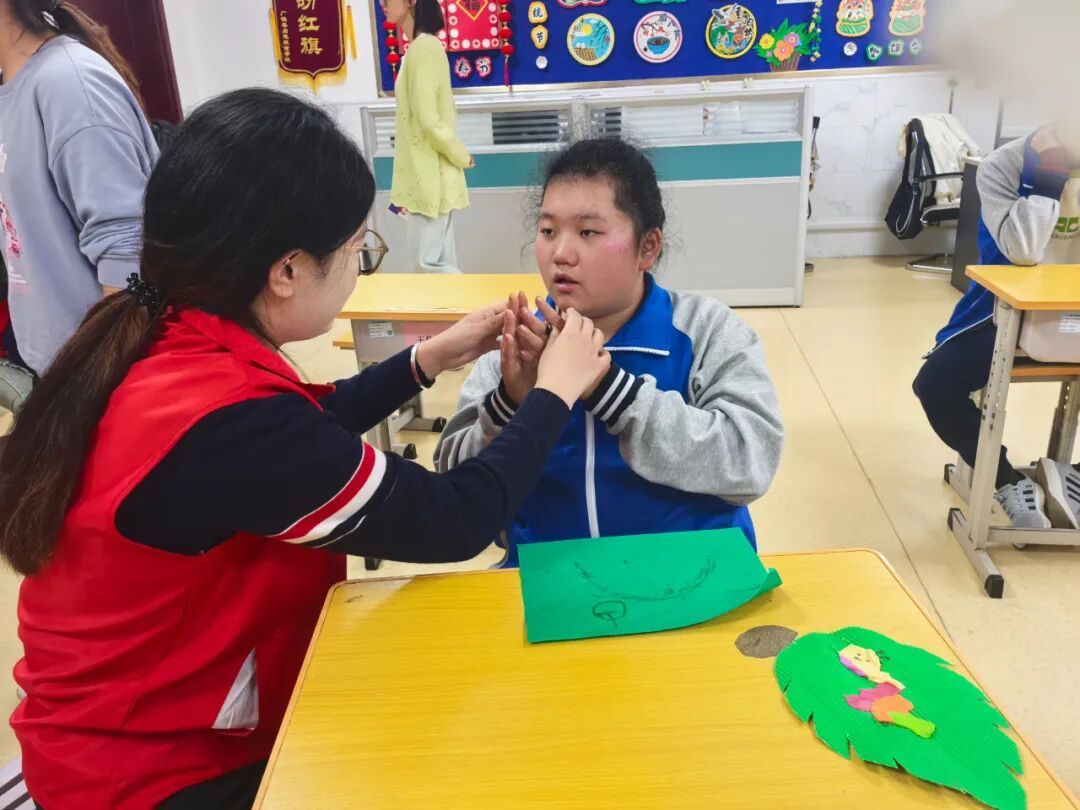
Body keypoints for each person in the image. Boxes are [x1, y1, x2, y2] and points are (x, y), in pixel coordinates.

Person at [0, 89, 609, 808]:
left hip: (112, 721)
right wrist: (554, 392)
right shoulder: (229, 423)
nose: (359, 267)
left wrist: (428, 357)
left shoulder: (157, 334)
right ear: (287, 270)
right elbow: (455, 519)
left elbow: (303, 430)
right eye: (358, 251)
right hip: (149, 773)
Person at [436, 138, 784, 566]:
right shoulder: (517, 346)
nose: (561, 253)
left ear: (647, 247)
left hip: (694, 578)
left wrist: (610, 390)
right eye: (548, 231)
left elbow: (751, 463)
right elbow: (455, 489)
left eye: (588, 232)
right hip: (549, 581)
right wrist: (510, 404)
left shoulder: (706, 331)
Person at [913, 124, 1080, 529]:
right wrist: (1049, 175)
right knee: (935, 386)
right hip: (1006, 308)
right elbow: (1023, 250)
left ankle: (1069, 479)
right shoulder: (1004, 165)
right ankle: (1005, 479)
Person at [0, 0, 157, 376]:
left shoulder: (67, 82)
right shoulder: (13, 87)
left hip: (99, 379)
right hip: (53, 368)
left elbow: (129, 257)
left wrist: (94, 383)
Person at [382, 0, 473, 273]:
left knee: (428, 267)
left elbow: (428, 118)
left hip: (429, 174)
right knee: (439, 263)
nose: (383, 4)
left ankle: (477, 298)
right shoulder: (420, 48)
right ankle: (471, 299)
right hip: (426, 173)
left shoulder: (424, 48)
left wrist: (459, 153)